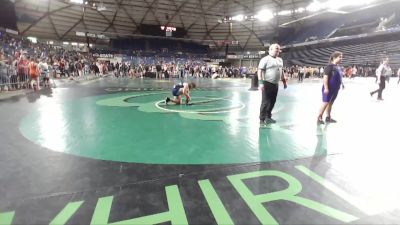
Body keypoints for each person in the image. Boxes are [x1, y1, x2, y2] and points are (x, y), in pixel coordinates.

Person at [258, 43, 287, 126]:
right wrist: (261, 83)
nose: (278, 51)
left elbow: (281, 71)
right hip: (267, 83)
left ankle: (268, 117)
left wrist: (284, 81)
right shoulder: (265, 59)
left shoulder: (280, 60)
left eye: (278, 49)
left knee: (272, 101)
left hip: (275, 84)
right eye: (276, 49)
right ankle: (262, 118)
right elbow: (260, 71)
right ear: (270, 50)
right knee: (265, 102)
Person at [317, 51, 345, 125]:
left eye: (341, 57)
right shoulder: (329, 67)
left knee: (330, 103)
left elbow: (339, 77)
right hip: (329, 88)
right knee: (325, 102)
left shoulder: (338, 67)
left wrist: (342, 84)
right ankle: (319, 118)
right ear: (334, 58)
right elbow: (325, 78)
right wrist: (326, 88)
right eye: (340, 57)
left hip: (335, 89)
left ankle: (328, 117)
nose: (341, 58)